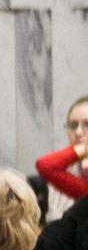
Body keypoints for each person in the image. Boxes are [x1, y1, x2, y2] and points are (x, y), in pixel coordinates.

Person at [33, 94, 88, 222]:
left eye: (87, 124)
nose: (78, 132)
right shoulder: (65, 166)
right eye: (73, 125)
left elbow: (45, 165)